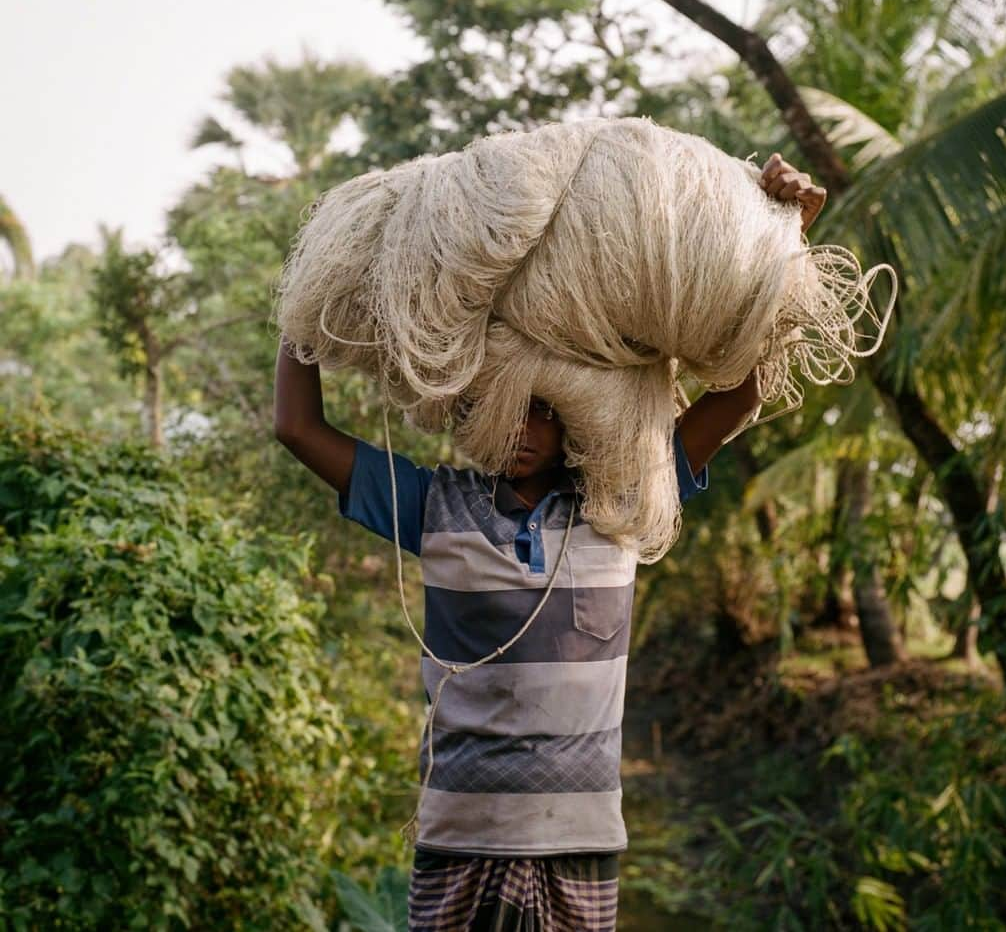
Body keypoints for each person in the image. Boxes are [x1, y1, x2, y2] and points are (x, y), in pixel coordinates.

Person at [273, 153, 825, 931]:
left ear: (573, 418)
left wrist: (784, 235)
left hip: (582, 846)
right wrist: (309, 297)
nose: (521, 429)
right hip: (459, 841)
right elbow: (296, 428)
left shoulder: (621, 504)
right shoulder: (435, 507)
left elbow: (741, 394)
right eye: (503, 406)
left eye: (541, 410)